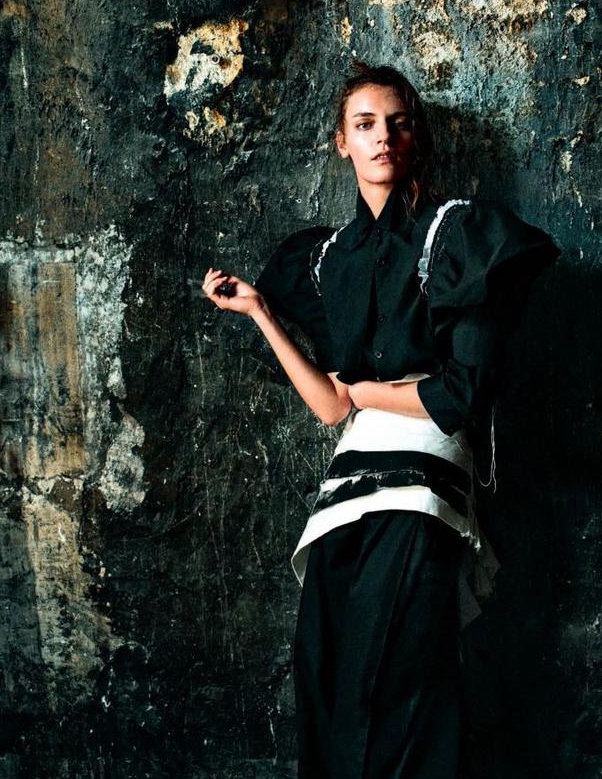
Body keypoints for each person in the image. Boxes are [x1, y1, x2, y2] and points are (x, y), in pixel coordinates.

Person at [202, 61, 561, 778]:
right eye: (365, 125)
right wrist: (262, 313)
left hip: (422, 484)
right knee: (324, 674)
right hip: (347, 490)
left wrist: (365, 390)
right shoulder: (329, 257)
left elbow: (457, 397)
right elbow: (332, 405)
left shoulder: (456, 234)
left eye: (397, 123)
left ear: (415, 135)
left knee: (392, 683)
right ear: (342, 142)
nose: (383, 138)